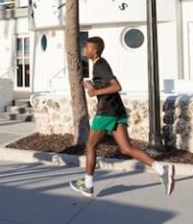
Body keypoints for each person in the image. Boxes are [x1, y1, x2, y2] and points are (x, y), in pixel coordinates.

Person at [69, 36, 175, 198]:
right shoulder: (99, 66)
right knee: (126, 148)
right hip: (117, 111)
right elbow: (107, 86)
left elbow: (116, 86)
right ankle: (162, 169)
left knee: (90, 146)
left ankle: (88, 186)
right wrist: (93, 86)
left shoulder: (100, 66)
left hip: (106, 112)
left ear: (95, 50)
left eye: (87, 47)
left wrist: (94, 92)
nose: (85, 50)